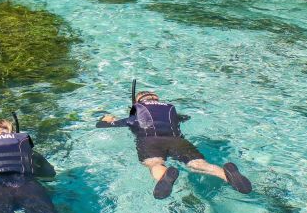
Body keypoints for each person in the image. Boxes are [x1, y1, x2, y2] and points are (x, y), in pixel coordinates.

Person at [96, 85, 252, 199]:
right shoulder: (170, 109)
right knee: (198, 164)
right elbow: (184, 118)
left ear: (138, 103)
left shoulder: (135, 115)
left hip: (150, 141)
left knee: (154, 163)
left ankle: (164, 176)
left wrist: (107, 120)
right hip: (177, 140)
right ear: (156, 99)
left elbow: (103, 126)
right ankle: (226, 175)